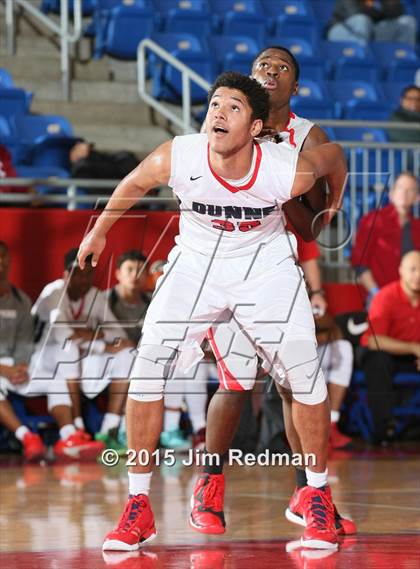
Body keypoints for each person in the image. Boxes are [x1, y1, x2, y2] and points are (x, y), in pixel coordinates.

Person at [78, 71, 347, 551]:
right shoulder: (180, 153)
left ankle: (317, 494)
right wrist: (98, 231)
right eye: (214, 104)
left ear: (257, 128)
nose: (218, 113)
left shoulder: (285, 168)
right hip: (197, 264)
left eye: (233, 107)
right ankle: (138, 507)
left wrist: (336, 204)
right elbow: (134, 181)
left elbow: (334, 156)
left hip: (265, 266)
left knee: (305, 375)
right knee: (147, 367)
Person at [200, 46, 355, 539]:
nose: (270, 71)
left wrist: (275, 177)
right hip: (225, 265)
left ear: (295, 88)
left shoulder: (308, 137)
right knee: (233, 384)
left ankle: (309, 495)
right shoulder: (225, 120)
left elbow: (312, 229)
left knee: (299, 386)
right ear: (249, 78)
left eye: (282, 68)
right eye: (263, 64)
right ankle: (209, 483)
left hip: (278, 273)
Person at [0, 241, 102, 461]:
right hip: (2, 370)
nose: (0, 262)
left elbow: (26, 339)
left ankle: (69, 437)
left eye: (3, 257)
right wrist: (5, 369)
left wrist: (21, 364)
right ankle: (27, 437)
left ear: (9, 261)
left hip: (18, 367)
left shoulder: (21, 300)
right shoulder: (53, 293)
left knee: (57, 380)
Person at [33, 248, 136, 450]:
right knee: (68, 348)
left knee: (128, 354)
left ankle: (109, 429)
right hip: (41, 357)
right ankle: (79, 425)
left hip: (79, 356)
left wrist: (97, 337)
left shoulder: (94, 295)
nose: (84, 279)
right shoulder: (54, 292)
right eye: (79, 273)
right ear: (66, 274)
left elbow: (119, 333)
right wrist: (99, 338)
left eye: (89, 274)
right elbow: (64, 336)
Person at [360, 250, 420, 444]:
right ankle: (384, 427)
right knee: (378, 361)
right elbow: (374, 340)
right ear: (401, 270)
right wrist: (413, 348)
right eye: (413, 269)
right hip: (387, 353)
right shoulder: (385, 297)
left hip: (415, 354)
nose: (418, 275)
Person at [351, 172, 420, 307]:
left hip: (413, 298)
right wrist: (377, 294)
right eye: (400, 188)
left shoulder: (418, 227)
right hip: (379, 296)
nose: (404, 193)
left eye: (410, 189)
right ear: (391, 193)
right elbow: (360, 262)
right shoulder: (373, 220)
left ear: (417, 198)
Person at [105, 249, 149, 446]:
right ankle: (111, 428)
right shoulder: (105, 300)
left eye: (140, 270)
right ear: (117, 274)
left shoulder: (152, 302)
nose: (135, 275)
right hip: (104, 358)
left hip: (139, 359)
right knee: (128, 357)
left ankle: (125, 431)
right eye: (129, 269)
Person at [327, 0, 417, 47]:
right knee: (362, 20)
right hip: (343, 31)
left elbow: (399, 10)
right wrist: (382, 11)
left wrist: (379, 12)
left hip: (371, 30)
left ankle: (402, 57)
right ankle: (361, 60)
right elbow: (356, 12)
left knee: (408, 21)